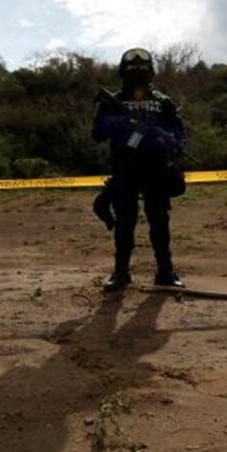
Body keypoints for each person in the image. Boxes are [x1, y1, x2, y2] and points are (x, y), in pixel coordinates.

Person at [92, 48, 186, 293]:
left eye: (141, 69)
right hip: (125, 168)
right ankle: (120, 272)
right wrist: (122, 122)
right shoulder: (113, 102)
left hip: (156, 168)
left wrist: (162, 138)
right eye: (132, 69)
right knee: (125, 222)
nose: (137, 74)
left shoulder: (163, 102)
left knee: (159, 221)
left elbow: (179, 136)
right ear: (123, 71)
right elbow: (98, 134)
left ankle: (165, 272)